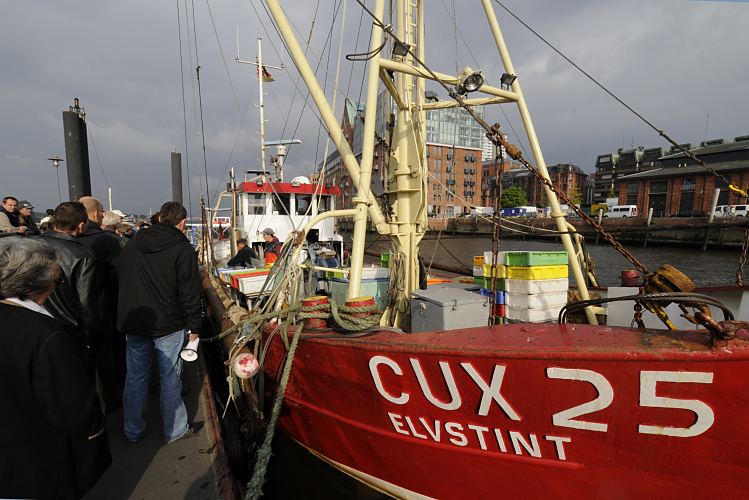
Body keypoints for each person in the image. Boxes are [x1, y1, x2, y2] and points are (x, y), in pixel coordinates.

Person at [0, 238, 111, 499]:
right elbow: (72, 409)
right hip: (36, 467)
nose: (56, 286)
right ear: (37, 284)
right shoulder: (48, 335)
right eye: (57, 281)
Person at [117, 201, 203, 443]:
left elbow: (120, 272)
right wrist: (194, 327)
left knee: (135, 378)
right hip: (168, 323)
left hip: (135, 320)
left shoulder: (134, 243)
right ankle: (174, 430)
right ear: (182, 222)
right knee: (170, 378)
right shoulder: (182, 248)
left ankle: (132, 430)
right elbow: (190, 291)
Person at [78, 196, 123, 410]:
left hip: (70, 312)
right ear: (96, 214)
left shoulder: (54, 243)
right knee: (108, 354)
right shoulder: (107, 241)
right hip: (105, 306)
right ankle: (113, 398)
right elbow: (119, 274)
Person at [39, 202, 104, 347]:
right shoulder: (83, 256)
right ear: (81, 225)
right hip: (68, 331)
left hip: (33, 324)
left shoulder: (28, 245)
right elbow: (88, 304)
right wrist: (89, 339)